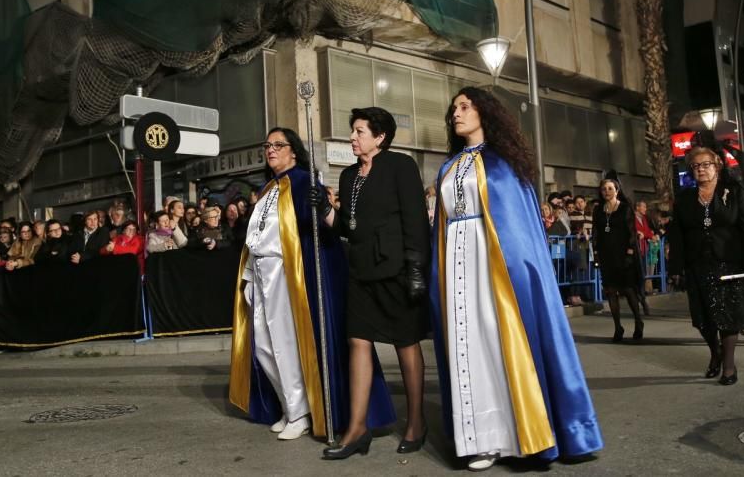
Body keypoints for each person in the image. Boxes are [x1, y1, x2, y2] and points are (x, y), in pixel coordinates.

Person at [429, 88, 602, 470]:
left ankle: (518, 432)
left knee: (498, 341)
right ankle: (481, 437)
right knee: (467, 345)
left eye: (464, 106)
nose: (455, 113)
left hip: (497, 269)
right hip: (458, 263)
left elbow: (518, 231)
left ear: (484, 113)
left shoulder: (502, 165)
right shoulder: (448, 167)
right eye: (454, 108)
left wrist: (520, 274)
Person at [230, 127, 394, 443]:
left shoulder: (305, 183)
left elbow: (320, 230)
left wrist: (320, 207)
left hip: (287, 273)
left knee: (285, 343)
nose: (271, 149)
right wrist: (249, 277)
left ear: (294, 151)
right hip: (261, 271)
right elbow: (256, 237)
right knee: (263, 345)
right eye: (267, 145)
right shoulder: (267, 190)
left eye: (278, 144)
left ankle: (299, 412)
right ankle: (291, 406)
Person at [314, 107, 428, 460]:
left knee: (405, 343)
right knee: (357, 342)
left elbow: (415, 219)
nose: (353, 136)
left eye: (360, 131)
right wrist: (325, 209)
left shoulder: (401, 166)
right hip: (361, 272)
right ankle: (357, 428)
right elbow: (348, 228)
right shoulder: (349, 176)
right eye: (353, 131)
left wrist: (415, 268)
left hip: (396, 269)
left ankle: (416, 422)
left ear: (380, 137)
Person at [668, 147, 744, 385]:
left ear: (717, 165)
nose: (701, 169)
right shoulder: (684, 199)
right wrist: (675, 268)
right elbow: (677, 235)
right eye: (695, 166)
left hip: (729, 263)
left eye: (705, 164)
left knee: (727, 315)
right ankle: (715, 353)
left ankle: (729, 366)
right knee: (704, 318)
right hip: (697, 264)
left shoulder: (733, 192)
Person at [592, 173, 643, 342]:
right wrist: (596, 252)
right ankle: (617, 327)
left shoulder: (625, 208)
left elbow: (631, 232)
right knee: (611, 292)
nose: (606, 191)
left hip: (623, 255)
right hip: (607, 256)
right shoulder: (598, 210)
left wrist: (630, 252)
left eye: (610, 188)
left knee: (628, 291)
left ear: (616, 190)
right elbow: (596, 233)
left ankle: (638, 321)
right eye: (603, 189)